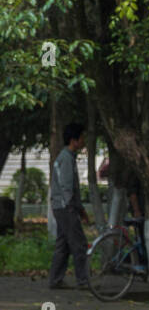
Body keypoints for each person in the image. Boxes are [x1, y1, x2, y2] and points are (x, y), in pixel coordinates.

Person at [48, 122, 91, 290]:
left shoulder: (67, 157)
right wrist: (74, 210)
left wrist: (80, 209)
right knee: (79, 244)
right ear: (74, 140)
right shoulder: (66, 158)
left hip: (61, 206)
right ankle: (83, 281)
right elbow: (67, 188)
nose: (84, 141)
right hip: (65, 207)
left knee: (63, 245)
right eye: (82, 138)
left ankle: (55, 280)